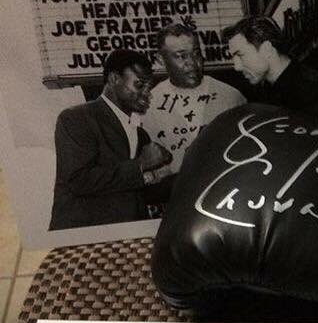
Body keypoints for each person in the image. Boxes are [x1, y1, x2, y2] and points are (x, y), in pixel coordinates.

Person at [49, 49, 173, 230]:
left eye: (149, 87)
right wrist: (141, 164)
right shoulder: (76, 118)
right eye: (139, 84)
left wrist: (185, 177)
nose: (147, 94)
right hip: (85, 235)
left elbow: (137, 192)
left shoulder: (140, 134)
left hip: (129, 234)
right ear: (114, 79)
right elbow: (79, 181)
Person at [142, 24, 246, 175]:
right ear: (161, 60)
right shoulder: (148, 106)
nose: (192, 62)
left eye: (196, 53)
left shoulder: (231, 97)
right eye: (181, 56)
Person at [222, 16, 318, 116]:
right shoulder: (266, 92)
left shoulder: (316, 92)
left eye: (240, 55)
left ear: (267, 49)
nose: (237, 67)